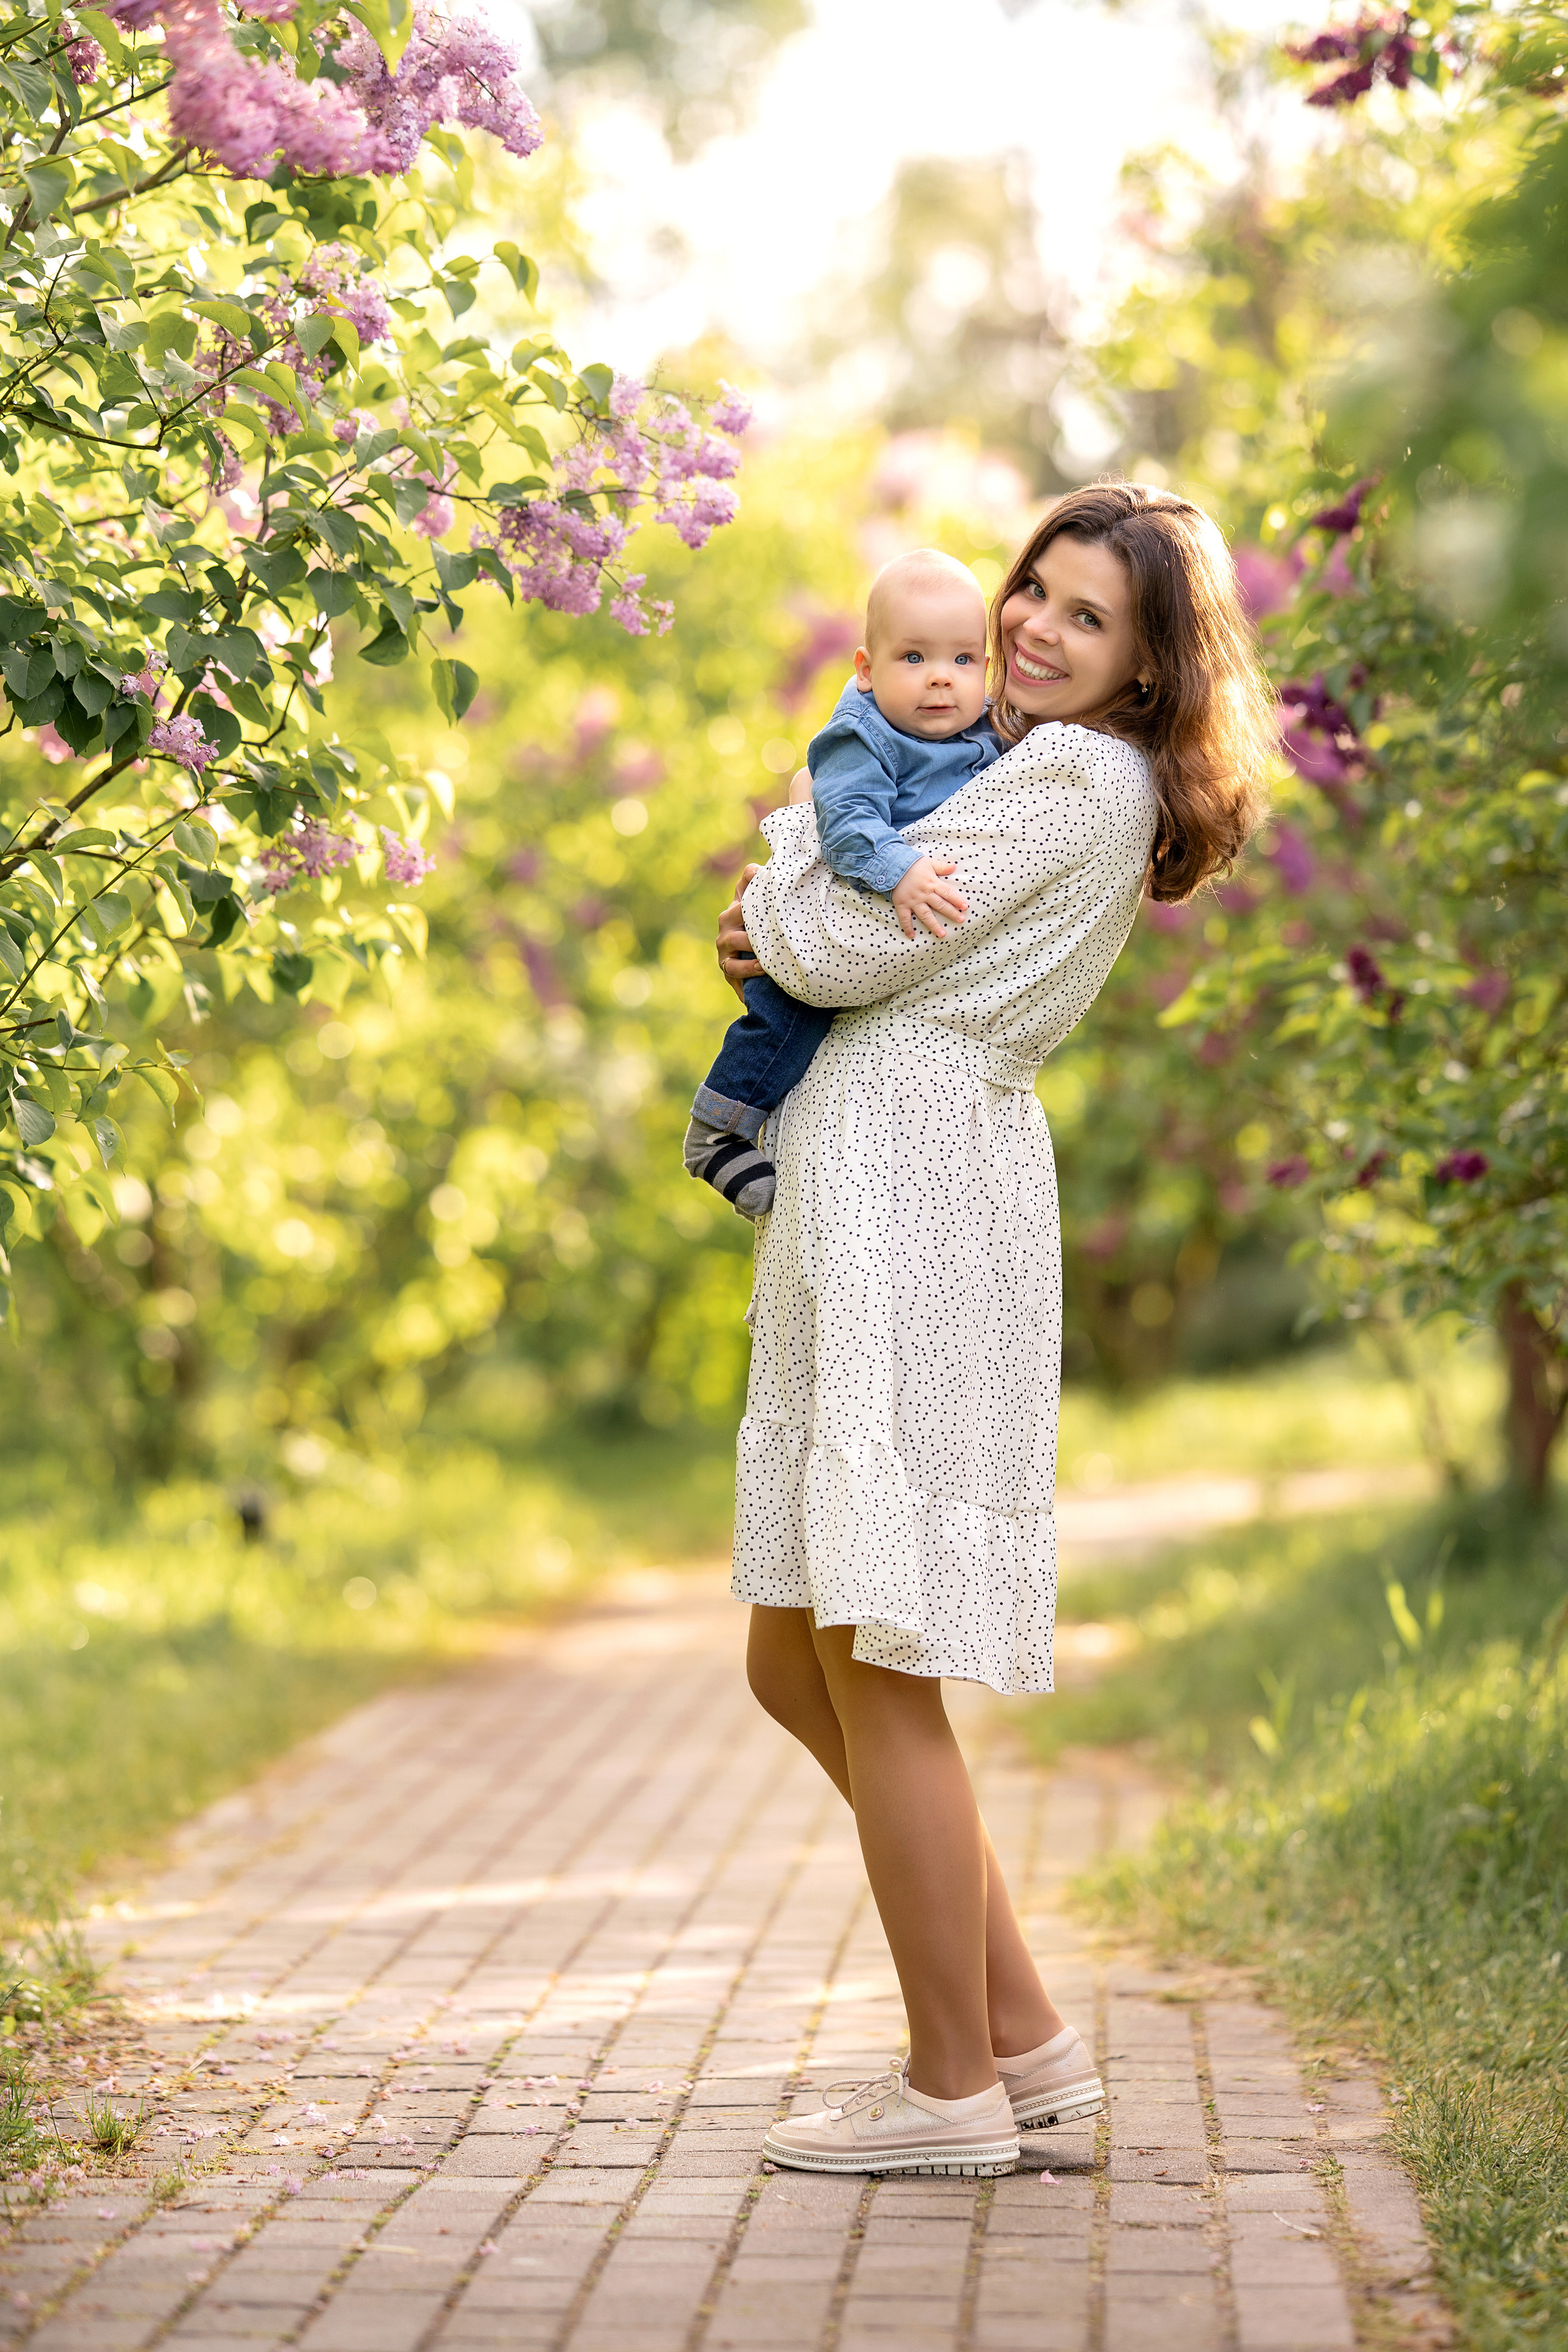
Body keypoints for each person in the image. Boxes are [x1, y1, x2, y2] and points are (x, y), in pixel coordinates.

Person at [711, 482, 1275, 2178]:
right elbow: (823, 946)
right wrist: (789, 920)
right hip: (883, 1174)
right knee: (792, 1650)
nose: (1031, 627)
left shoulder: (1072, 780)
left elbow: (824, 940)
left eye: (1084, 618)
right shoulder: (1023, 766)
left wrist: (775, 877)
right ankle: (1024, 2042)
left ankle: (946, 2088)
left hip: (917, 1189)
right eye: (1035, 587)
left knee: (875, 1653)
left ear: (1148, 671)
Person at [684, 549, 1003, 1219]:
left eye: (963, 660)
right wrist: (902, 871)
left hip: (889, 962)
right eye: (913, 659)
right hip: (830, 908)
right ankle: (720, 1125)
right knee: (784, 1020)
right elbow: (848, 823)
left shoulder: (983, 728)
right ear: (866, 670)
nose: (941, 679)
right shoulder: (863, 734)